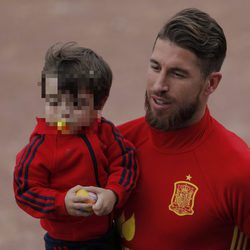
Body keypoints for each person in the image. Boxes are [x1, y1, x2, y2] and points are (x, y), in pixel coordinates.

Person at [116, 8, 250, 250]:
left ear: (211, 83)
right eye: (155, 67)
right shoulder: (116, 144)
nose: (159, 86)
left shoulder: (238, 171)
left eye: (177, 74)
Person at [13, 42, 138, 250]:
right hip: (64, 244)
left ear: (99, 104)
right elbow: (25, 190)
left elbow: (126, 163)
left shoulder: (105, 131)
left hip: (106, 235)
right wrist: (61, 203)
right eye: (54, 102)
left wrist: (113, 193)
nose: (63, 112)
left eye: (76, 104)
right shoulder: (41, 146)